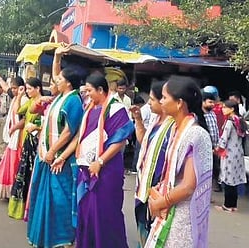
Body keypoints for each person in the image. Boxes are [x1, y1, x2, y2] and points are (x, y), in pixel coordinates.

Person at [58, 72, 134, 248]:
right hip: (86, 168)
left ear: (101, 90)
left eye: (89, 90)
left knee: (104, 212)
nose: (86, 94)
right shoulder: (89, 107)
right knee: (86, 211)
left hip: (106, 170)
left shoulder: (116, 109)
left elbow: (119, 140)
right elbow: (81, 135)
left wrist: (100, 162)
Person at [26, 45, 83, 248]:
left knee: (60, 199)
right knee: (44, 197)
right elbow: (57, 73)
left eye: (59, 79)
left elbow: (69, 132)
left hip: (60, 158)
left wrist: (52, 151)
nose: (55, 80)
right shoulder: (60, 96)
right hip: (47, 155)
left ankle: (62, 238)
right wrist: (58, 56)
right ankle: (45, 235)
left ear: (68, 83)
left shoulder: (73, 101)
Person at [146, 76, 212, 248]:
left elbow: (188, 186)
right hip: (170, 209)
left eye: (164, 97)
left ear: (179, 103)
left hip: (181, 215)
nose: (161, 101)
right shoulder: (176, 129)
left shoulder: (195, 134)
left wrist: (160, 202)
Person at [129, 81, 175, 247]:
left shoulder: (174, 126)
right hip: (144, 186)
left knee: (154, 233)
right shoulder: (156, 120)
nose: (149, 102)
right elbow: (144, 142)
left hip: (157, 189)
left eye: (154, 99)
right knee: (144, 228)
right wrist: (138, 119)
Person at [7, 77, 42, 219]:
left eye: (29, 89)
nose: (27, 91)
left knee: (30, 173)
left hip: (35, 142)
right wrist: (20, 95)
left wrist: (37, 127)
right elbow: (17, 111)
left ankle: (30, 207)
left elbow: (43, 123)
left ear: (37, 88)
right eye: (26, 88)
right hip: (27, 140)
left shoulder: (42, 103)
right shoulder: (30, 102)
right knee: (24, 173)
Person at [0, 76, 26, 199]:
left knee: (15, 165)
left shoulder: (23, 99)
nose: (13, 90)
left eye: (15, 88)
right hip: (13, 137)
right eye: (12, 88)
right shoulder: (15, 96)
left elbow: (23, 119)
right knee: (9, 164)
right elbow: (5, 87)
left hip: (19, 137)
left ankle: (14, 192)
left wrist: (14, 128)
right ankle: (7, 192)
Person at [214, 100, 247, 212]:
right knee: (234, 180)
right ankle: (233, 205)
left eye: (225, 107)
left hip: (229, 153)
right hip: (238, 153)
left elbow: (224, 139)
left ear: (232, 109)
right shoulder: (240, 120)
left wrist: (217, 149)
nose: (223, 109)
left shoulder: (229, 122)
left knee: (228, 180)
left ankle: (227, 205)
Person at [202, 92, 221, 192]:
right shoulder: (200, 116)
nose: (212, 104)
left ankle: (211, 190)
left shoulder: (213, 114)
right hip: (206, 148)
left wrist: (217, 145)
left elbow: (216, 130)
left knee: (215, 170)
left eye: (213, 102)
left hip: (215, 147)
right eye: (210, 102)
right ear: (203, 102)